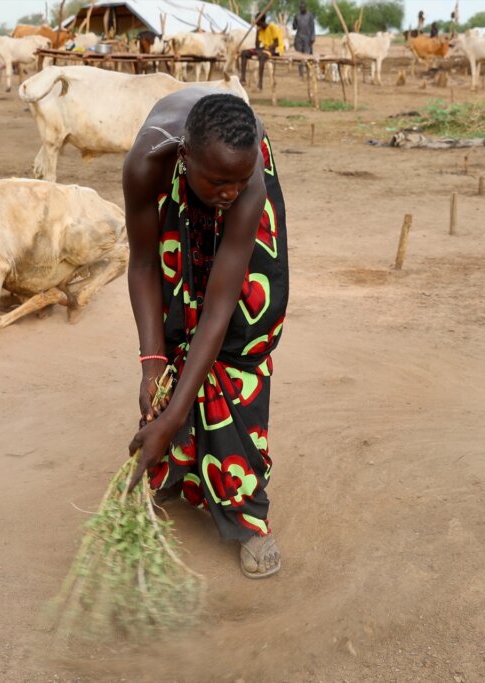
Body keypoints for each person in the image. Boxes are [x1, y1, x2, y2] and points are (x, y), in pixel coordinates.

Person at [122, 91, 289, 579]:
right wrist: (151, 361)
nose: (228, 195)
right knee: (177, 324)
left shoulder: (246, 179)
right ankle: (177, 469)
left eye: (236, 185)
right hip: (195, 164)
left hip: (234, 154)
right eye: (217, 182)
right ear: (184, 157)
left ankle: (247, 513)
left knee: (241, 341)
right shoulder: (145, 168)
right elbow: (144, 262)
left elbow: (220, 307)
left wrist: (171, 417)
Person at [239, 13, 283, 91]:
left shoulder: (272, 27)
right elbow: (257, 45)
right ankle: (243, 79)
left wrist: (266, 49)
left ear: (261, 21)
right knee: (244, 53)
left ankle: (260, 83)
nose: (256, 23)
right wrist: (257, 33)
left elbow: (277, 43)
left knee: (261, 56)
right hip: (264, 49)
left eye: (257, 21)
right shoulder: (259, 30)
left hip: (275, 49)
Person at [292, 2, 316, 78]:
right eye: (300, 8)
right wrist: (294, 24)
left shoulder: (310, 16)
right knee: (299, 56)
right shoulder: (297, 15)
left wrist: (313, 37)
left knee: (307, 56)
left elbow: (312, 27)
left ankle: (308, 72)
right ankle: (301, 74)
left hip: (307, 38)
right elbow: (294, 27)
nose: (302, 9)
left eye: (303, 7)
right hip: (299, 38)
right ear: (299, 8)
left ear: (306, 7)